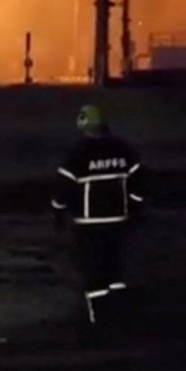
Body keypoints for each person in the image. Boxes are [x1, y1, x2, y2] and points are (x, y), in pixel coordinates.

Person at [51, 104, 146, 325]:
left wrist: (58, 212)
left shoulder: (78, 153)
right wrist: (134, 208)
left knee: (93, 269)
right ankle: (122, 313)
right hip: (119, 220)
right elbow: (139, 184)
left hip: (89, 224)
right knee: (115, 267)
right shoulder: (123, 150)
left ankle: (100, 318)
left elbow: (63, 188)